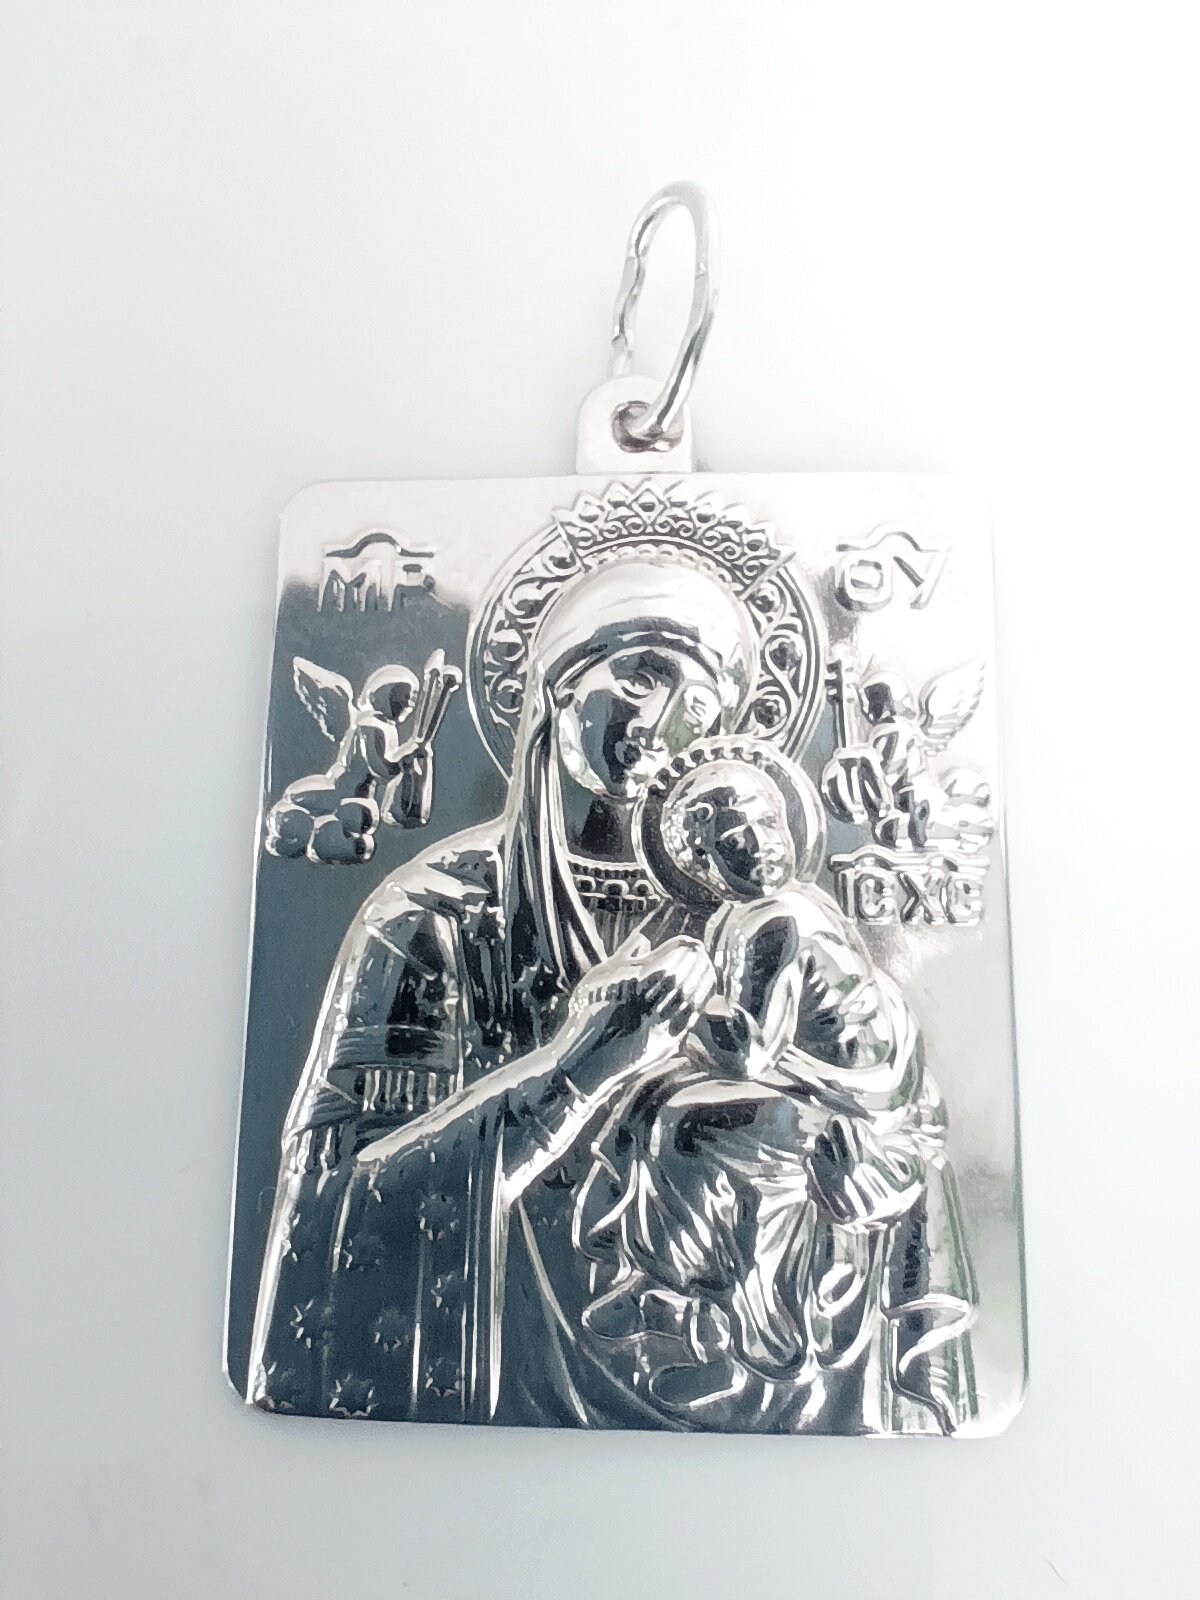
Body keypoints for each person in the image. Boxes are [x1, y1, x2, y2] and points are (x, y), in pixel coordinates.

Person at [247, 556, 763, 1424]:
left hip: (715, 1376)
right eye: (640, 677)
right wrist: (575, 1070)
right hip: (498, 1364)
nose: (661, 724)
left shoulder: (741, 927)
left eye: (701, 708)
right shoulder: (431, 915)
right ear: (561, 684)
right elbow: (335, 1210)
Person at [571, 743, 977, 1432]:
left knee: (683, 1127)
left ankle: (756, 1340)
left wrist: (667, 994)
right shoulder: (755, 915)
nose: (758, 844)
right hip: (821, 1087)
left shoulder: (776, 919)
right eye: (734, 839)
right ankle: (671, 1296)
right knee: (646, 1105)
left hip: (854, 1107)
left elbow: (747, 1053)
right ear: (703, 863)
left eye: (766, 822)